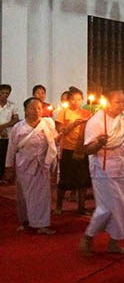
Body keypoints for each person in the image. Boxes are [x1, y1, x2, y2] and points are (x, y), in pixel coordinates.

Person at [80, 90, 124, 256]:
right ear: (107, 102)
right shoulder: (96, 121)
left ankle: (114, 242)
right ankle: (88, 237)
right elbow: (88, 149)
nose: (122, 105)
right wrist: (99, 143)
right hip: (104, 170)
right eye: (117, 102)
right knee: (108, 207)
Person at [4, 97, 58, 235]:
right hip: (25, 165)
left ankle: (41, 224)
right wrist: (9, 166)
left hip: (42, 165)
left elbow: (54, 142)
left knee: (42, 195)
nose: (37, 111)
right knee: (25, 194)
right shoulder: (19, 127)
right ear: (26, 110)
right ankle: (26, 220)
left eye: (39, 108)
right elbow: (12, 148)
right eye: (33, 108)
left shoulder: (47, 124)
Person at [54, 87, 92, 215]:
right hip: (68, 149)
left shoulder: (86, 113)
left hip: (82, 148)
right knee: (65, 178)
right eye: (73, 99)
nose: (76, 102)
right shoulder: (64, 113)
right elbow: (61, 130)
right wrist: (73, 124)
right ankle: (59, 206)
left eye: (79, 99)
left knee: (83, 179)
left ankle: (81, 207)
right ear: (69, 100)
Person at [0, 84, 19, 182]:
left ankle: (5, 176)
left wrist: (3, 126)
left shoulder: (12, 106)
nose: (4, 95)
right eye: (2, 93)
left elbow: (15, 119)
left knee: (5, 156)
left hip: (7, 135)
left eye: (7, 93)